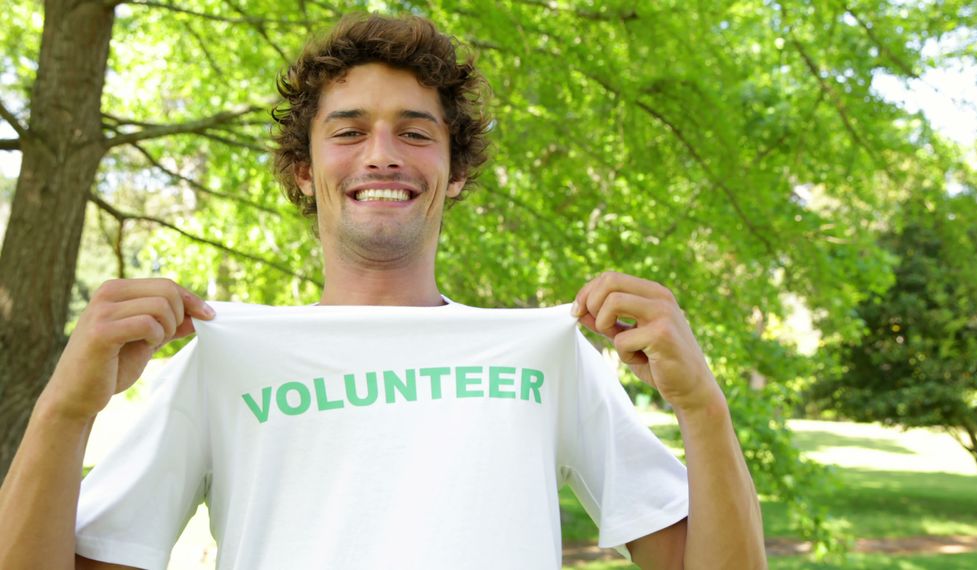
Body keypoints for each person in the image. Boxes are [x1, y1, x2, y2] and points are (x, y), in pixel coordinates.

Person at [0, 13, 765, 570]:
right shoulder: (220, 358)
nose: (382, 155)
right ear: (304, 169)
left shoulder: (547, 356)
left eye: (416, 131)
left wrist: (703, 405)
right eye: (347, 130)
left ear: (455, 171)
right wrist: (65, 409)